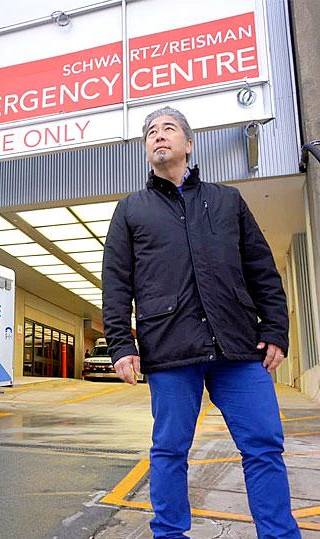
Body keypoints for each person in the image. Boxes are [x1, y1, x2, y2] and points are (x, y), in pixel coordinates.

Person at [102, 106, 300, 539]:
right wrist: (121, 345)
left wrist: (274, 331)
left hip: (237, 348)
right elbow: (116, 284)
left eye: (168, 129)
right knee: (169, 450)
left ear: (189, 144)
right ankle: (170, 534)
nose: (158, 136)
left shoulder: (228, 200)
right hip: (171, 350)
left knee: (264, 446)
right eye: (150, 132)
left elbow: (262, 270)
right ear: (146, 148)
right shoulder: (131, 210)